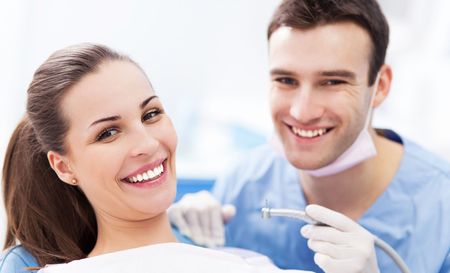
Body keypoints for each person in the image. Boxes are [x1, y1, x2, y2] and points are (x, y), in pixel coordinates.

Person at [168, 0, 450, 273]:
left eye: (332, 82)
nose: (302, 112)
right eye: (286, 80)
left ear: (380, 86)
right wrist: (184, 244)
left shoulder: (440, 205)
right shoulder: (242, 185)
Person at [0, 43, 311, 273]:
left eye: (151, 114)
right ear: (64, 167)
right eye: (108, 133)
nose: (147, 144)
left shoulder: (251, 265)